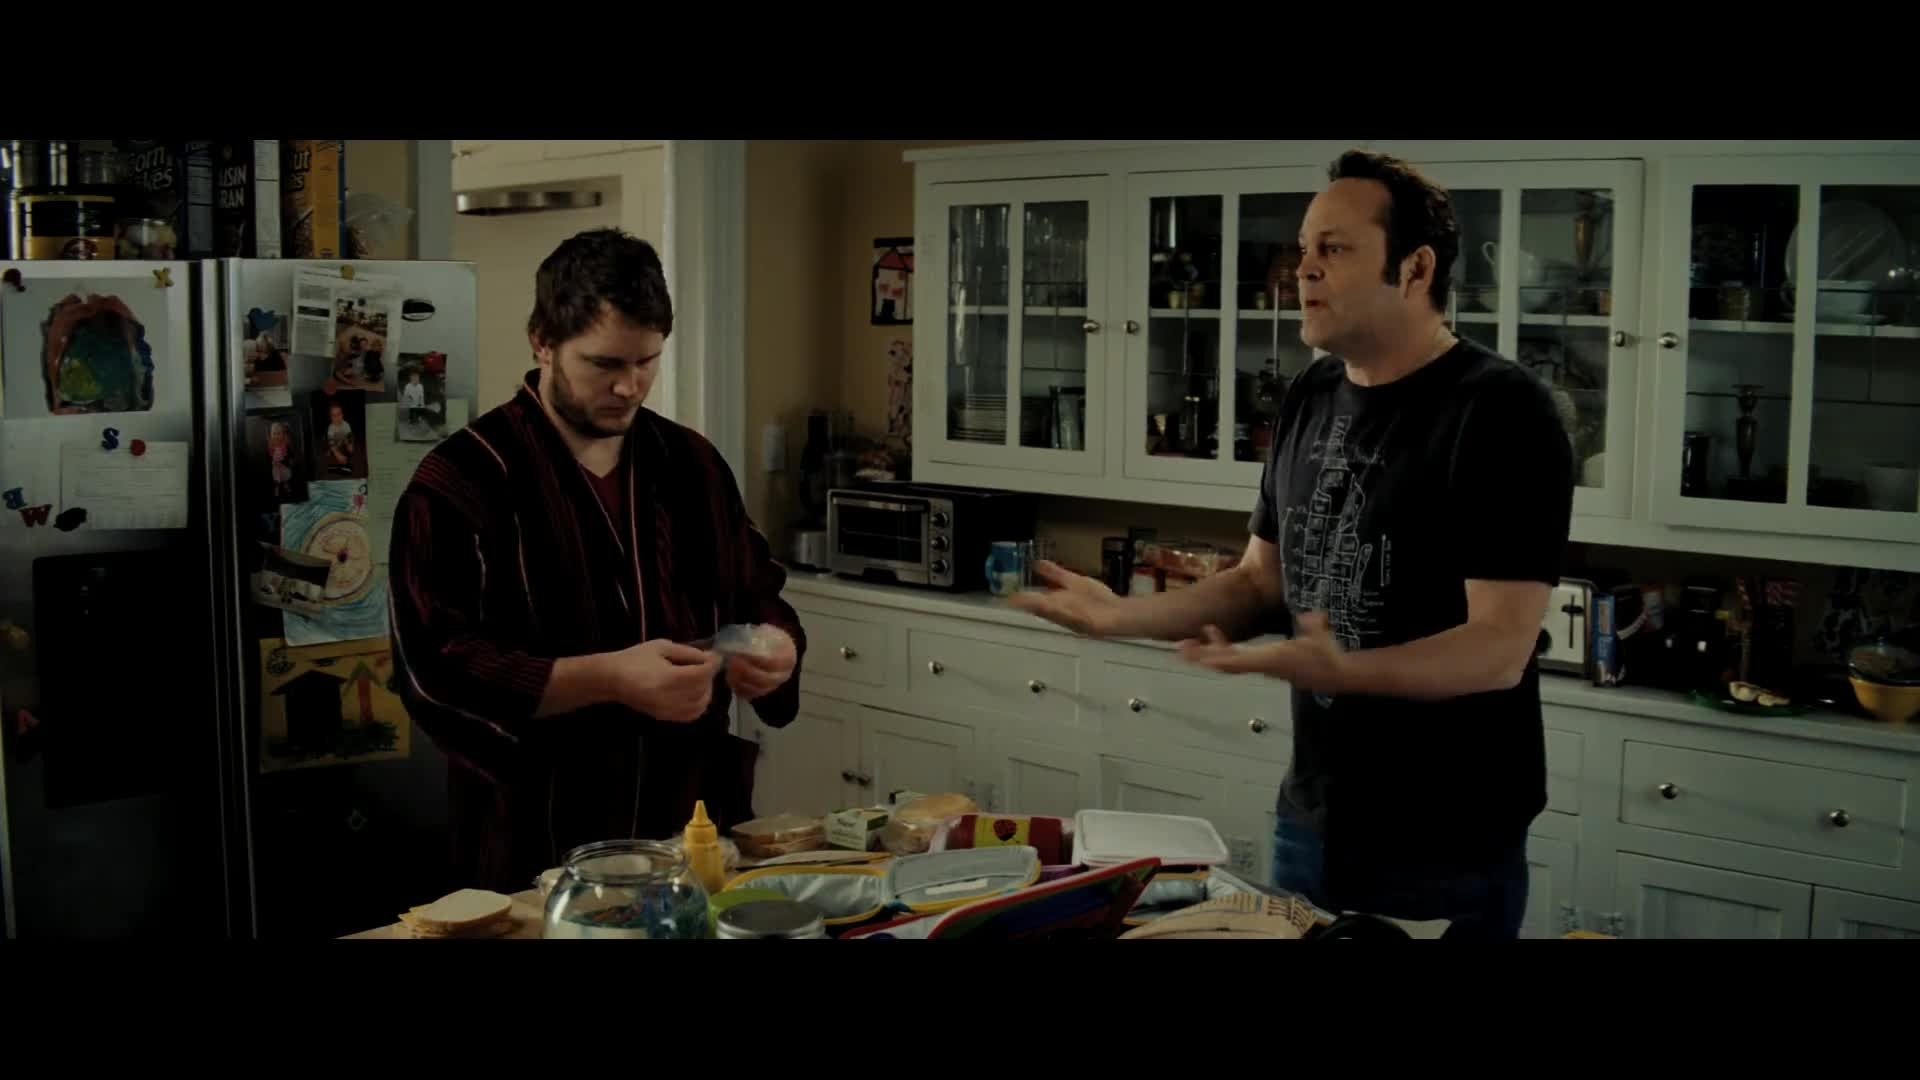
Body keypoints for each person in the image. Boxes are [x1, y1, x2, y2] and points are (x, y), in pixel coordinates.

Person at [1010, 150, 1574, 939]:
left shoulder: (1501, 410)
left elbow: (1496, 650)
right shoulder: (1313, 391)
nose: (1301, 268)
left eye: (1333, 249)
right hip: (1310, 819)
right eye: (1304, 248)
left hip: (1444, 836)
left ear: (1415, 268)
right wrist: (1122, 617)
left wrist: (1343, 670)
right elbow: (1257, 584)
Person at [387, 227, 807, 893]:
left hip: (694, 829)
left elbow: (757, 593)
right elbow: (433, 665)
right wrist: (608, 678)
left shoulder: (692, 464)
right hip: (535, 838)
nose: (629, 386)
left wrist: (777, 646)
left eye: (647, 362)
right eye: (604, 363)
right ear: (542, 341)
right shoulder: (461, 481)